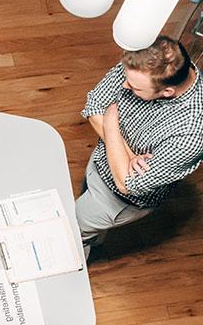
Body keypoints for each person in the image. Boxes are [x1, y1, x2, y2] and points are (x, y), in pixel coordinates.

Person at [77, 36, 203, 259]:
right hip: (100, 162)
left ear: (167, 91)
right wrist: (127, 154)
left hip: (116, 200)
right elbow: (94, 105)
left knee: (71, 232)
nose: (125, 85)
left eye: (134, 88)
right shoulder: (145, 62)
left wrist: (110, 122)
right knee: (88, 223)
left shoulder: (191, 134)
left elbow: (127, 183)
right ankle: (94, 237)